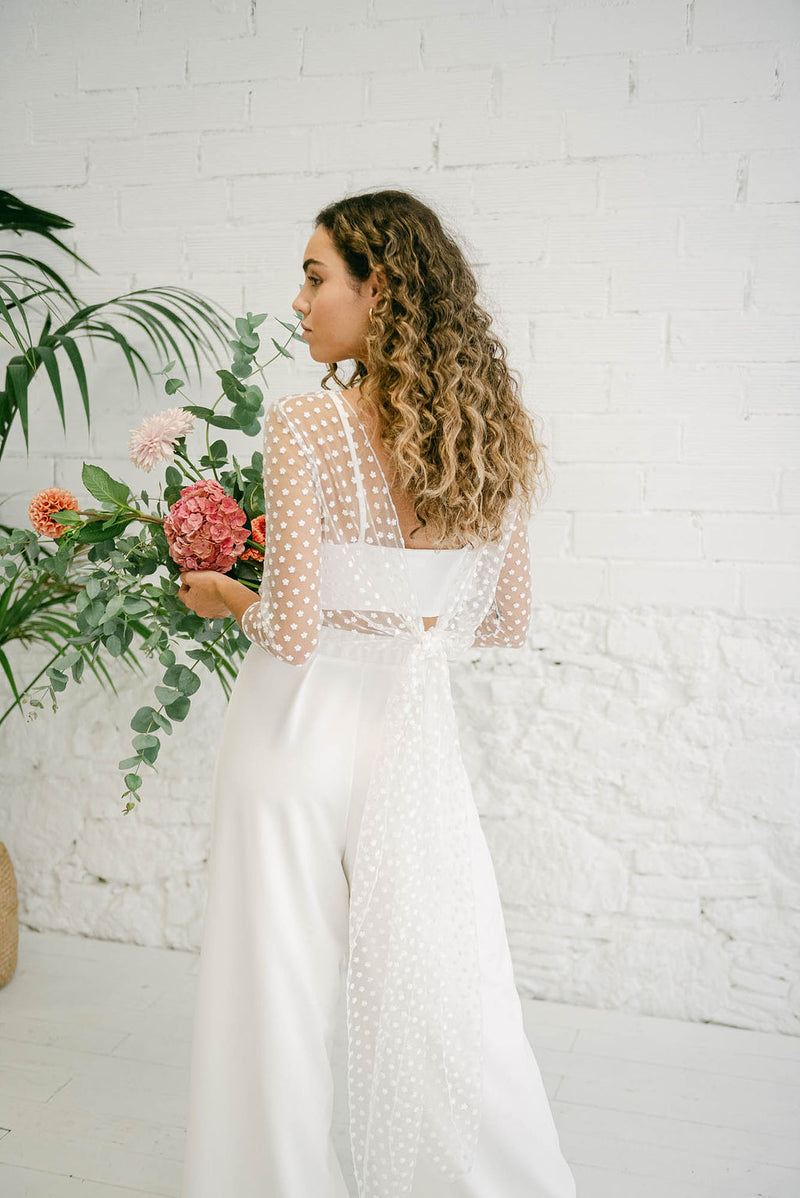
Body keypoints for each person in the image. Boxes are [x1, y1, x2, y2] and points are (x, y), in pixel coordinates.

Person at [178, 189, 576, 1198]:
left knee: (273, 987)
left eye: (316, 277)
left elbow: (294, 627)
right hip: (412, 735)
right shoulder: (488, 436)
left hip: (294, 731)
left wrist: (228, 595)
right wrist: (409, 624)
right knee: (449, 986)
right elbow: (503, 618)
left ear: (378, 287)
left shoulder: (307, 426)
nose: (300, 302)